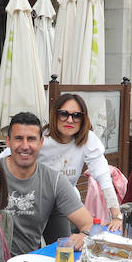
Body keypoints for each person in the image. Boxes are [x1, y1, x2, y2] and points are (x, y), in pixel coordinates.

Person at [0, 112, 95, 254]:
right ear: (8, 141)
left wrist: (83, 235)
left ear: (41, 142)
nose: (25, 146)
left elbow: (88, 223)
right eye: (18, 138)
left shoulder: (54, 181)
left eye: (31, 139)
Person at [38, 93, 122, 234]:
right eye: (64, 114)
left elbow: (103, 176)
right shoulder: (41, 138)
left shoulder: (88, 139)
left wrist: (116, 216)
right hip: (35, 203)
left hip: (61, 205)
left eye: (77, 115)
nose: (70, 120)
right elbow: (8, 159)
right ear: (55, 115)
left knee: (65, 247)